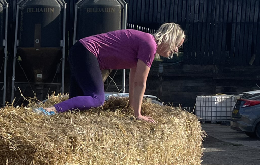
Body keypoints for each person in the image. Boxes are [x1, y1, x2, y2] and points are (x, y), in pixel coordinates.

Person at [34, 23, 185, 123]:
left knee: (77, 106)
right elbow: (140, 83)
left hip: (79, 50)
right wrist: (138, 115)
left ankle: (45, 115)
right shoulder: (149, 45)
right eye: (177, 45)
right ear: (170, 38)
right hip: (86, 52)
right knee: (97, 99)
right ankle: (47, 110)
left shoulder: (146, 43)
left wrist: (132, 109)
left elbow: (134, 79)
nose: (177, 50)